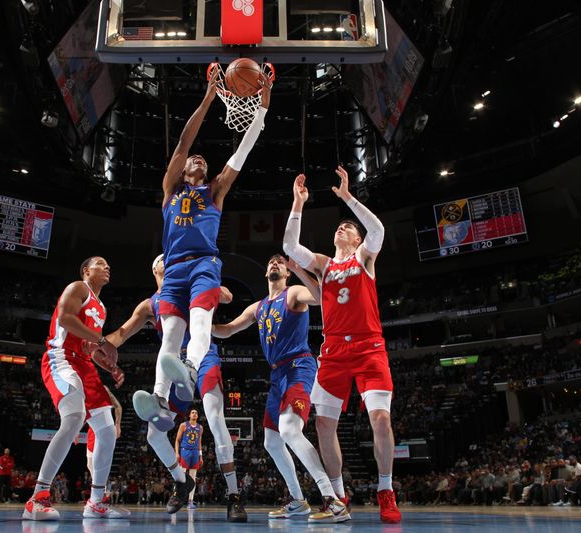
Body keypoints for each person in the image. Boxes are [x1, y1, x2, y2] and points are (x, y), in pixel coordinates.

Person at [282, 168, 401, 523]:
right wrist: (297, 204)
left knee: (380, 419)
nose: (342, 228)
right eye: (340, 226)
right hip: (333, 351)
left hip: (369, 348)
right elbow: (289, 247)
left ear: (356, 238)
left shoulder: (365, 257)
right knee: (322, 425)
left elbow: (378, 230)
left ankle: (385, 489)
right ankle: (336, 496)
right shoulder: (323, 264)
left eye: (348, 228)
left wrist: (348, 197)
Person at [153, 65, 271, 410]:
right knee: (172, 333)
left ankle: (190, 369)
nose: (198, 158)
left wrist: (262, 109)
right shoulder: (170, 190)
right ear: (184, 168)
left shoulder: (215, 190)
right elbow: (184, 142)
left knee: (202, 319)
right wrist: (208, 98)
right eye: (194, 159)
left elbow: (243, 151)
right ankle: (160, 398)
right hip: (173, 268)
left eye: (203, 159)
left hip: (204, 263)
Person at [100, 254, 246, 521]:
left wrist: (216, 288)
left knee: (215, 420)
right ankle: (181, 482)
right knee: (154, 435)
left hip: (202, 359)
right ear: (154, 268)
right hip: (171, 364)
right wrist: (97, 342)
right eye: (164, 258)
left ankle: (234, 495)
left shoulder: (193, 284)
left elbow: (226, 295)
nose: (172, 259)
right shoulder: (150, 304)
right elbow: (119, 335)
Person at [212, 254, 349, 522]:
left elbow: (321, 297)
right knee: (272, 441)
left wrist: (299, 268)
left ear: (286, 273)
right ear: (266, 273)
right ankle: (299, 500)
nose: (275, 264)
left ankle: (332, 499)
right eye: (271, 262)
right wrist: (201, 324)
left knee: (289, 429)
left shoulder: (294, 292)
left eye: (280, 263)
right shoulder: (258, 307)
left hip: (298, 367)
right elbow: (227, 331)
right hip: (277, 375)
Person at [22, 256, 128, 521]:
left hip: (83, 365)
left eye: (109, 265)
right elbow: (66, 319)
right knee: (74, 417)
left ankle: (95, 502)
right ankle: (38, 497)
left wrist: (107, 364)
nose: (107, 267)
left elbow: (88, 347)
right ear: (85, 270)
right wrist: (103, 341)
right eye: (101, 264)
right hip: (61, 358)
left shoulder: (101, 308)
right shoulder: (78, 288)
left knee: (106, 430)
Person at [174, 409, 203, 510]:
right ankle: (177, 498)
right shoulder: (184, 425)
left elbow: (199, 442)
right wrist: (177, 453)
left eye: (196, 413)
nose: (195, 414)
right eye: (193, 412)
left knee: (193, 478)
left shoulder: (200, 427)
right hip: (185, 451)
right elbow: (177, 440)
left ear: (197, 416)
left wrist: (201, 456)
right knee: (181, 477)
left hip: (195, 452)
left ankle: (190, 501)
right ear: (189, 415)